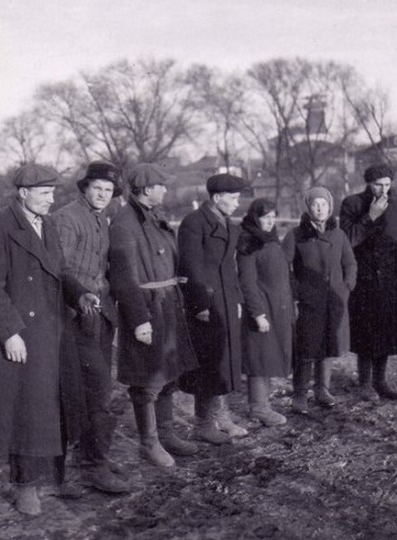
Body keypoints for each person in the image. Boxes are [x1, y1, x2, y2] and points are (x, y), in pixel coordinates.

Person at [0, 163, 98, 515]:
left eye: (53, 192)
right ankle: (25, 484)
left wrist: (80, 295)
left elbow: (60, 272)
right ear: (23, 193)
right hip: (23, 335)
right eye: (44, 193)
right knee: (27, 413)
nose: (51, 199)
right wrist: (9, 332)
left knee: (57, 405)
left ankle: (57, 478)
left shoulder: (48, 225)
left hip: (54, 331)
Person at [108, 163, 199, 468]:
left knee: (168, 373)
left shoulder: (154, 217)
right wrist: (138, 320)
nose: (165, 190)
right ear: (147, 190)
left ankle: (166, 433)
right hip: (148, 308)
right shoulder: (124, 223)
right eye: (161, 186)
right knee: (147, 381)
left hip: (167, 304)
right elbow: (123, 278)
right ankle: (149, 443)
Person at [52, 161, 129, 494]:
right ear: (84, 188)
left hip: (101, 314)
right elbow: (61, 270)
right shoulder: (68, 219)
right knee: (95, 391)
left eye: (108, 190)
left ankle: (92, 455)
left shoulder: (102, 219)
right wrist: (82, 297)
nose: (102, 194)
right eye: (97, 188)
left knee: (98, 391)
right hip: (77, 316)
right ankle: (91, 467)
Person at [177, 173, 249, 444]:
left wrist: (238, 298)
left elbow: (229, 266)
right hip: (206, 303)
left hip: (227, 300)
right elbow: (189, 267)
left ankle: (223, 417)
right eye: (233, 198)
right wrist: (199, 305)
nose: (237, 203)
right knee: (208, 363)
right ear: (217, 198)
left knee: (225, 360)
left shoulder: (226, 222)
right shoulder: (194, 223)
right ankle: (204, 423)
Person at [339, 164, 397, 401]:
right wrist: (370, 217)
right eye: (377, 185)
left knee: (387, 328)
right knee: (366, 329)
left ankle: (380, 381)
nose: (383, 190)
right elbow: (348, 239)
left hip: (392, 276)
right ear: (368, 183)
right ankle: (364, 383)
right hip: (365, 277)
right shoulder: (352, 204)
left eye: (387, 184)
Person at [282, 186, 357, 414]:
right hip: (309, 301)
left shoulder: (339, 234)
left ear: (330, 206)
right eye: (315, 204)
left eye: (323, 204)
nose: (319, 208)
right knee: (307, 348)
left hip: (333, 300)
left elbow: (350, 263)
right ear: (308, 207)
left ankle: (322, 390)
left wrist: (346, 286)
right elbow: (283, 267)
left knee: (327, 345)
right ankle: (300, 395)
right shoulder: (296, 235)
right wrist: (297, 291)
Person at [236, 199, 294, 426]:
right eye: (265, 217)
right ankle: (258, 408)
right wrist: (258, 314)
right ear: (254, 218)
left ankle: (264, 405)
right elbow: (247, 282)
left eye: (273, 216)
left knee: (268, 356)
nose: (270, 221)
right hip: (261, 309)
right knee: (259, 358)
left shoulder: (271, 239)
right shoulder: (248, 242)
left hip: (277, 307)